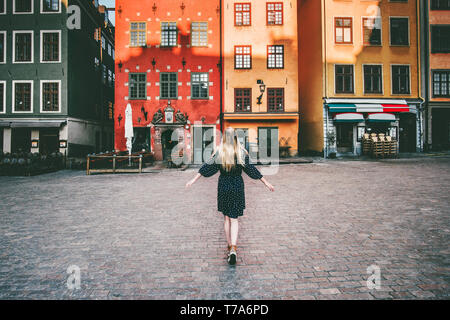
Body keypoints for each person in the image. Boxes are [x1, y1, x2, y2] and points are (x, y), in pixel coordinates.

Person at [185, 128, 275, 265]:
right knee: (234, 219)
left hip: (224, 186)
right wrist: (266, 182)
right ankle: (233, 247)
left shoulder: (219, 152)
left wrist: (193, 179)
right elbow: (252, 170)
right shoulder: (241, 153)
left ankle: (229, 247)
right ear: (235, 138)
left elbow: (206, 168)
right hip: (237, 186)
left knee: (226, 218)